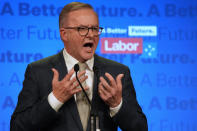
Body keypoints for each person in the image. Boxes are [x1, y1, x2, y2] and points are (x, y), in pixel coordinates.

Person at [10, 2, 148, 131]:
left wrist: (117, 104)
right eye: (82, 29)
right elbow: (18, 126)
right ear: (64, 34)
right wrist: (55, 99)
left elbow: (140, 128)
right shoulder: (38, 71)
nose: (91, 35)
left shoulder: (117, 73)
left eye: (94, 29)